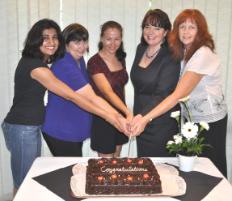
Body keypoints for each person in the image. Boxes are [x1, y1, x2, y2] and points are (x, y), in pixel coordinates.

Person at [1, 19, 128, 196]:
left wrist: (117, 116)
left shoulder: (74, 61)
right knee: (25, 182)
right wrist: (115, 117)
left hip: (37, 126)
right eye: (76, 41)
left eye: (84, 41)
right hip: (30, 128)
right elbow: (77, 96)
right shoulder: (52, 66)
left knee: (34, 179)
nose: (81, 46)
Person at [131, 9, 228, 177]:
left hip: (209, 121)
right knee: (192, 171)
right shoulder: (182, 51)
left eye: (192, 27)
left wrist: (145, 118)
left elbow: (177, 95)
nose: (186, 31)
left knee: (211, 170)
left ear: (201, 30)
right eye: (182, 27)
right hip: (190, 120)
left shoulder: (202, 54)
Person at [130, 9, 180, 157]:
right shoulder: (141, 49)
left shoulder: (171, 55)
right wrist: (137, 117)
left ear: (165, 32)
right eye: (147, 26)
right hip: (140, 121)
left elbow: (163, 93)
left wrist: (142, 116)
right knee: (144, 169)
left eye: (157, 28)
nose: (150, 32)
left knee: (161, 173)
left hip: (161, 124)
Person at [87, 21, 131, 157]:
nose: (113, 43)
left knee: (117, 160)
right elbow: (108, 92)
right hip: (104, 117)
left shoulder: (120, 58)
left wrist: (124, 113)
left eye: (117, 39)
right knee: (105, 165)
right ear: (101, 38)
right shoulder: (94, 62)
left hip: (121, 116)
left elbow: (120, 87)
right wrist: (128, 112)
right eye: (108, 39)